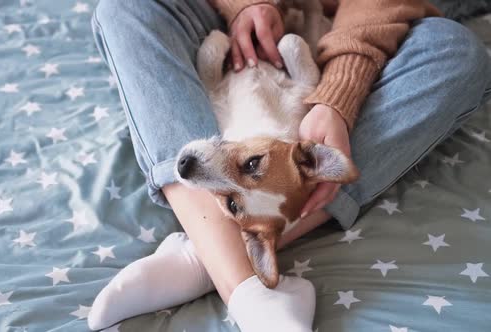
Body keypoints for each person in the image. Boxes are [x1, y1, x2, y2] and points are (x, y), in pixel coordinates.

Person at [88, 0, 491, 331]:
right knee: (126, 8)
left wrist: (339, 97)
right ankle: (243, 282)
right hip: (242, 27)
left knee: (455, 51)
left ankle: (206, 258)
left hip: (375, 25)